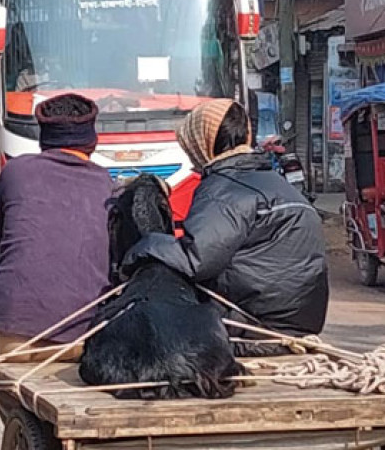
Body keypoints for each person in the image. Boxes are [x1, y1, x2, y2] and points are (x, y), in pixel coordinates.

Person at [122, 99, 329, 356]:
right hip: (300, 326)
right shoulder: (275, 181)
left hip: (253, 328)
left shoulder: (223, 189)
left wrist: (140, 249)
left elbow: (195, 258)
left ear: (200, 144)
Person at [0, 94, 112, 363]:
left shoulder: (15, 171)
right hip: (81, 341)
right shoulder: (106, 183)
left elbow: (1, 236)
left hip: (11, 338)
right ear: (91, 141)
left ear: (44, 138)